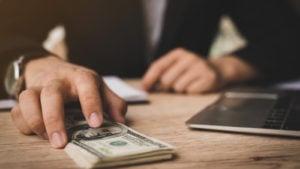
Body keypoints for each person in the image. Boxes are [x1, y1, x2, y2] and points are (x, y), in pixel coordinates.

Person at [0, 0, 299, 149]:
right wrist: (32, 63)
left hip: (187, 113)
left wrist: (225, 67)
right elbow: (9, 28)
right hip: (85, 110)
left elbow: (287, 37)